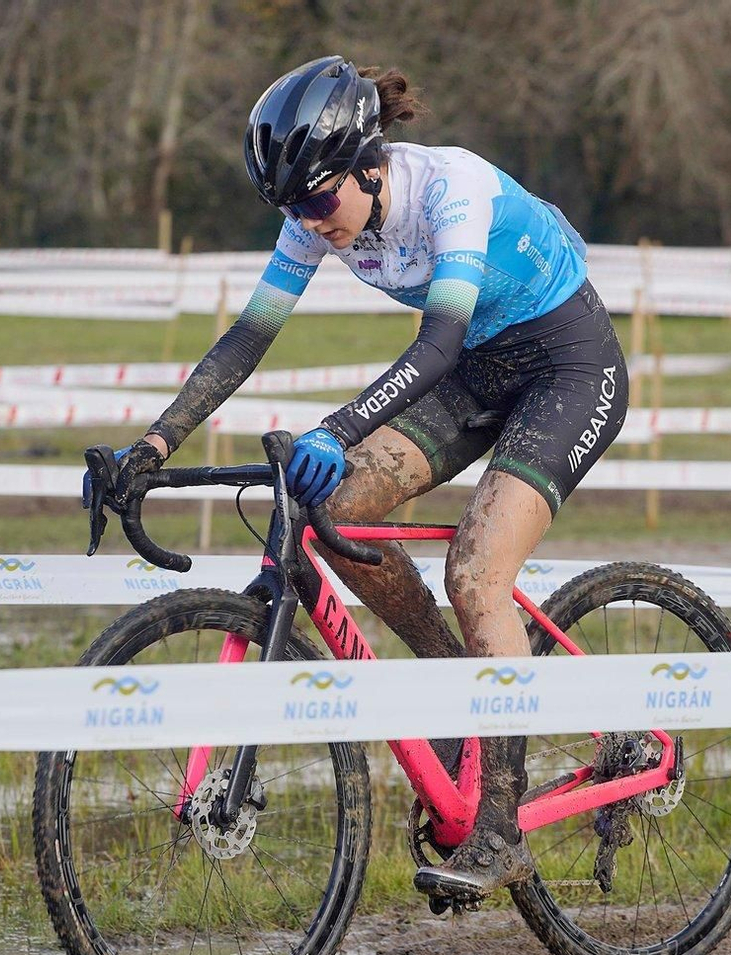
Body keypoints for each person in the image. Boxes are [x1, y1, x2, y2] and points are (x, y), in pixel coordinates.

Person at [98, 56, 630, 902]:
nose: (309, 221)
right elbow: (248, 336)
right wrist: (155, 443)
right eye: (291, 209)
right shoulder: (317, 214)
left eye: (316, 201)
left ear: (367, 167)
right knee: (335, 508)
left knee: (476, 571)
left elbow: (439, 343)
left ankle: (501, 820)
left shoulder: (450, 189)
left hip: (565, 367)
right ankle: (464, 692)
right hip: (479, 373)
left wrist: (339, 427)